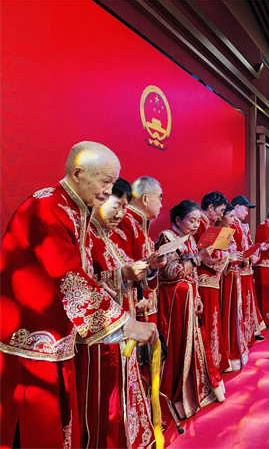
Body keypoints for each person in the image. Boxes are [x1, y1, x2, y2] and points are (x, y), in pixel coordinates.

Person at [0, 141, 158, 449]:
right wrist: (128, 325)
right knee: (35, 429)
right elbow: (69, 278)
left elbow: (80, 273)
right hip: (31, 344)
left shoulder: (75, 209)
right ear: (77, 173)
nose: (108, 192)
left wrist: (106, 286)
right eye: (106, 182)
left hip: (61, 340)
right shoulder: (46, 208)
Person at [81, 178, 154, 449]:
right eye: (117, 205)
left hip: (126, 326)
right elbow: (82, 282)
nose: (121, 214)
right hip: (103, 335)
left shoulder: (117, 237)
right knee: (106, 398)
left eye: (125, 207)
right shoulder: (85, 236)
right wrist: (121, 274)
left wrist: (146, 271)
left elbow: (128, 276)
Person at [155, 200, 225, 419]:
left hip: (189, 299)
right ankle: (178, 396)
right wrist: (199, 258)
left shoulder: (190, 239)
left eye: (197, 221)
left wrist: (197, 296)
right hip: (174, 302)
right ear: (178, 220)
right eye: (191, 221)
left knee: (195, 343)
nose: (196, 225)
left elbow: (191, 273)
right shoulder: (167, 238)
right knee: (178, 346)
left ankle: (195, 392)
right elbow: (171, 272)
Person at [119, 176, 166, 323]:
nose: (161, 205)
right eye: (159, 199)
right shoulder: (125, 220)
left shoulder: (140, 224)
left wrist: (152, 265)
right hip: (134, 304)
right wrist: (138, 296)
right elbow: (123, 263)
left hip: (145, 303)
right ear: (145, 199)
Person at [195, 191, 231, 373]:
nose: (221, 215)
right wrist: (228, 256)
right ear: (210, 207)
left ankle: (214, 362)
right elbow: (207, 256)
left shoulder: (205, 225)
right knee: (209, 321)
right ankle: (209, 365)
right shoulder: (200, 224)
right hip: (204, 279)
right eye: (221, 210)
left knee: (213, 320)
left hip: (210, 279)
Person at [218, 203, 253, 371]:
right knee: (228, 314)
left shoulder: (229, 232)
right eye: (230, 216)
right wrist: (229, 258)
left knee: (235, 313)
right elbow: (215, 257)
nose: (233, 220)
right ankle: (228, 353)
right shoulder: (221, 233)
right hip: (226, 279)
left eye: (233, 216)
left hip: (234, 276)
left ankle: (235, 351)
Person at [230, 195, 266, 341]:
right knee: (242, 301)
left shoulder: (243, 225)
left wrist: (256, 252)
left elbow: (249, 244)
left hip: (247, 269)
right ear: (237, 207)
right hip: (239, 269)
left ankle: (251, 331)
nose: (247, 213)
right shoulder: (231, 224)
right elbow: (235, 248)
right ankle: (244, 333)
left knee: (249, 300)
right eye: (245, 209)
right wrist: (250, 256)